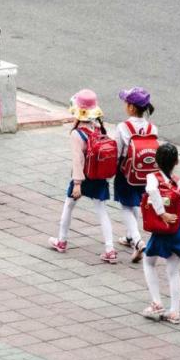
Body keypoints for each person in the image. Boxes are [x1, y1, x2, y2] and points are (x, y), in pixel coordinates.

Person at [48, 89, 117, 264]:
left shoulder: (76, 134)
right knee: (102, 211)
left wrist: (77, 183)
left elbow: (77, 160)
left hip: (83, 177)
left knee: (68, 207)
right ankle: (110, 249)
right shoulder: (99, 127)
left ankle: (62, 241)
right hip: (99, 177)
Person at [141, 143, 180, 324]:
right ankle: (175, 311)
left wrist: (161, 212)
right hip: (177, 229)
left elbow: (151, 190)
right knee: (173, 271)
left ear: (156, 161)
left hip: (160, 229)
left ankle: (157, 302)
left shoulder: (152, 177)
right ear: (177, 162)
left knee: (149, 262)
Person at [112, 87, 159, 263]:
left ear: (131, 107)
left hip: (126, 172)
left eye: (126, 102)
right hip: (146, 174)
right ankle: (130, 237)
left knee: (125, 205)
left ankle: (138, 241)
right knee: (137, 203)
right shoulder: (152, 127)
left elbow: (117, 152)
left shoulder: (123, 127)